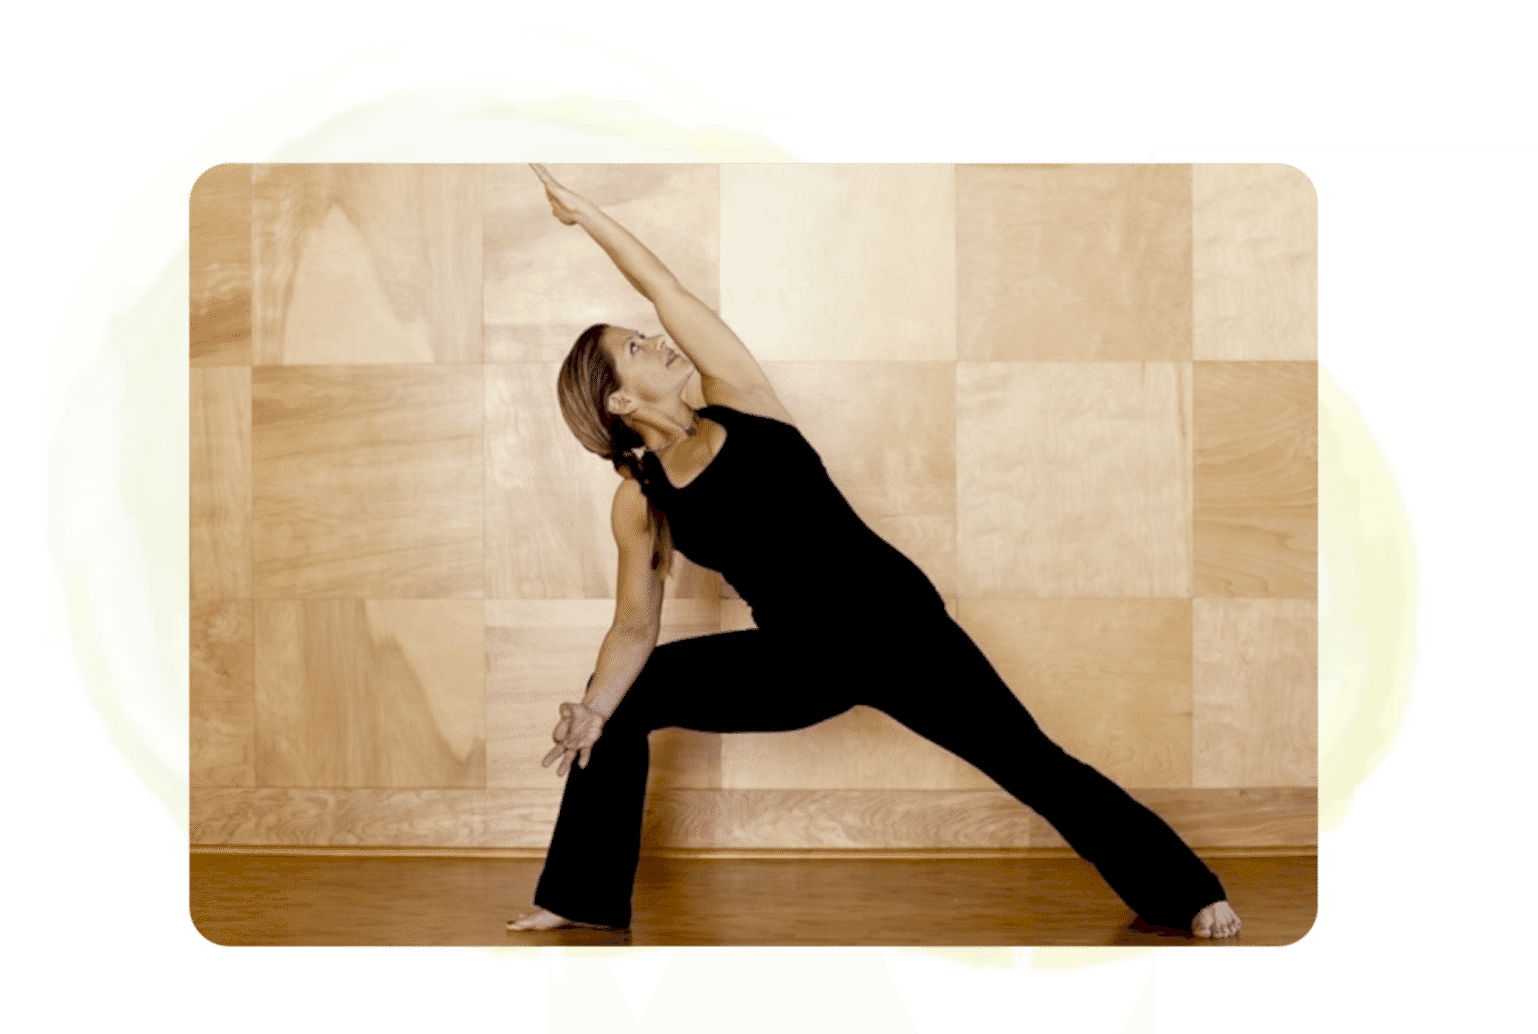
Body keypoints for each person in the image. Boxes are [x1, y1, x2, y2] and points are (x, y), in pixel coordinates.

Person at [508, 164, 1242, 940]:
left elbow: (668, 291)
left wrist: (586, 214)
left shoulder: (740, 396)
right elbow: (633, 627)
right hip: (799, 659)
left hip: (901, 630)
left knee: (1033, 763)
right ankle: (579, 897)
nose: (655, 338)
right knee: (617, 698)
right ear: (621, 401)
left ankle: (1185, 892)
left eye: (643, 333)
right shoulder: (643, 498)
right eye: (635, 347)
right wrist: (592, 709)